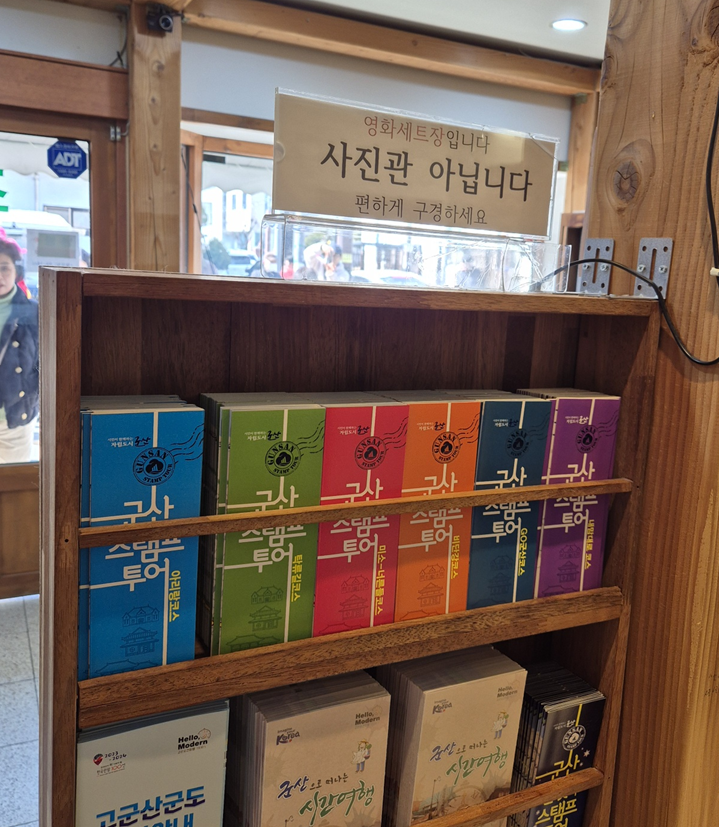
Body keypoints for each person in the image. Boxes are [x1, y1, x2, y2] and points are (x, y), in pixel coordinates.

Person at [0, 233, 39, 463]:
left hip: (14, 420)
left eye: (4, 268)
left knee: (12, 481)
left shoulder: (34, 312)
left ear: (17, 271)